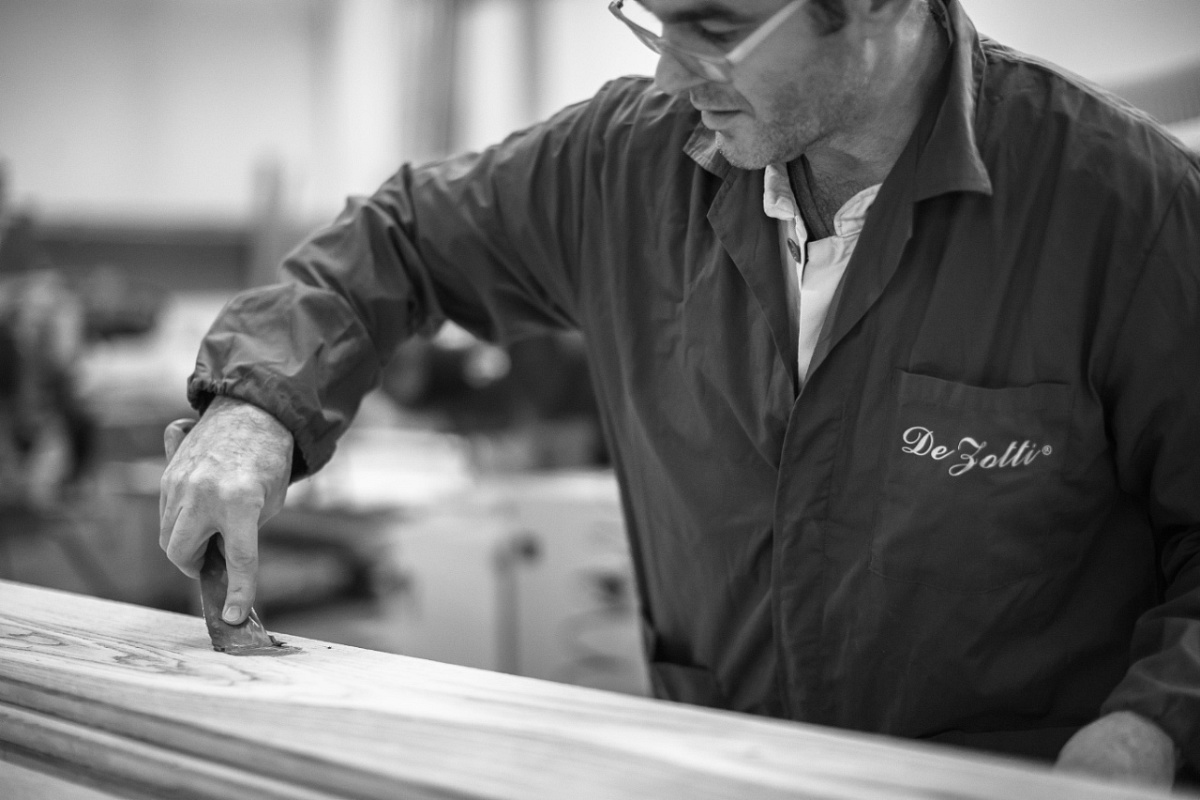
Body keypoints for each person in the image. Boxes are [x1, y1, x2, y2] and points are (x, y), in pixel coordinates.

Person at [159, 0, 1200, 787]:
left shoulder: (1124, 209)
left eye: (715, 25)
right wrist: (257, 403)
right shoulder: (628, 163)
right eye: (653, 16)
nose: (667, 67)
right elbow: (398, 238)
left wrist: (1150, 727)